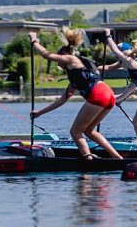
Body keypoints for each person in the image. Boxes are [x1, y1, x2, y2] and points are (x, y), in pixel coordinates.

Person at [28, 28, 122, 159]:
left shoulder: (71, 58)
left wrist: (34, 41)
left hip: (98, 95)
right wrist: (39, 113)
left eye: (59, 59)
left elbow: (47, 55)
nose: (58, 63)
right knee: (88, 131)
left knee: (75, 132)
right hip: (108, 95)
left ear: (64, 54)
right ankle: (117, 158)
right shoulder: (75, 77)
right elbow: (61, 100)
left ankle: (87, 159)